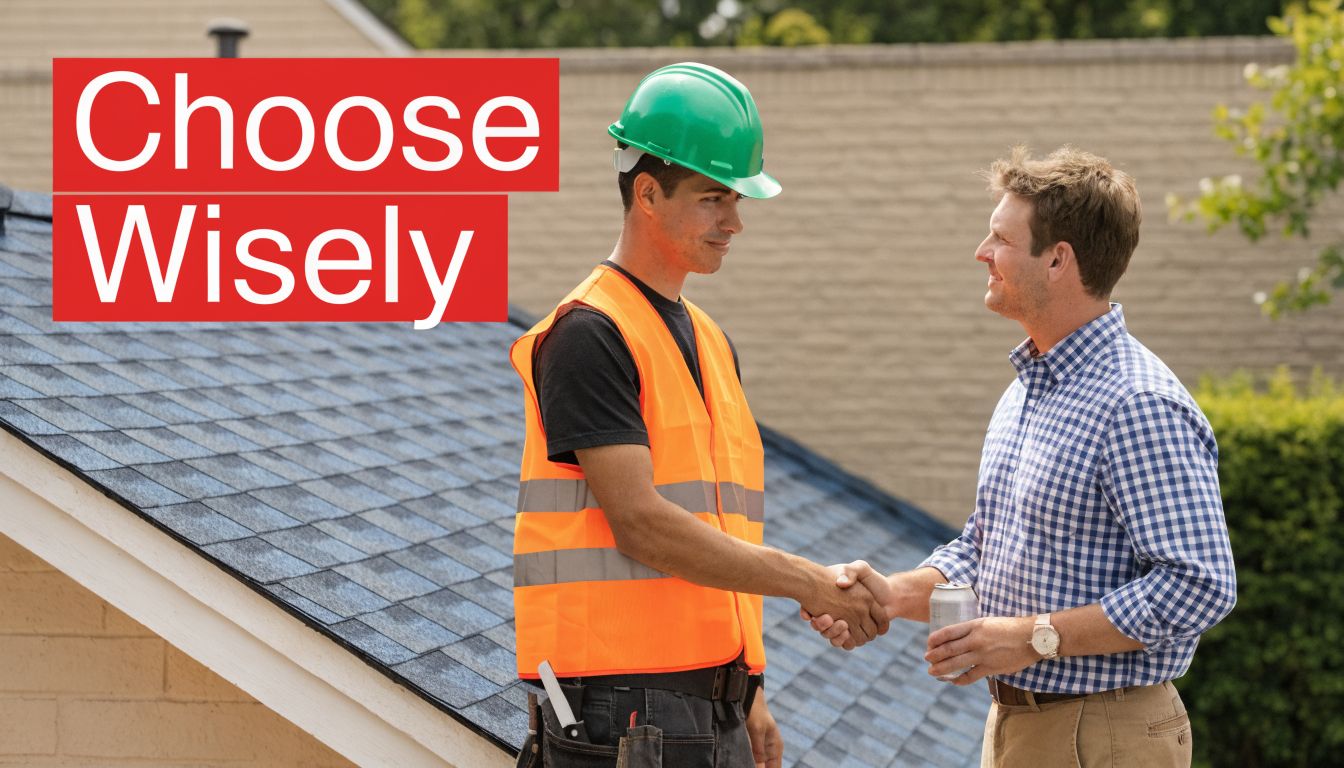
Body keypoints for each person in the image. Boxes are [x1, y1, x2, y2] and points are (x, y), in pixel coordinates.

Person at [508, 62, 890, 768]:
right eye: (714, 198)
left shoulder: (710, 341)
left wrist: (748, 687)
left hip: (708, 702)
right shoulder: (589, 333)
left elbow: (718, 525)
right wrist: (810, 582)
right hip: (621, 711)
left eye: (736, 200)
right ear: (647, 193)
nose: (734, 222)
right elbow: (642, 523)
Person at [807, 146, 1236, 767]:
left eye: (1002, 239)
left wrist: (1035, 638)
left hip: (1102, 734)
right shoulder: (1028, 390)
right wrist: (888, 596)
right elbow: (985, 550)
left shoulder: (1137, 403)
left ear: (1058, 260)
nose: (981, 252)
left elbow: (1201, 586)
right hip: (1022, 725)